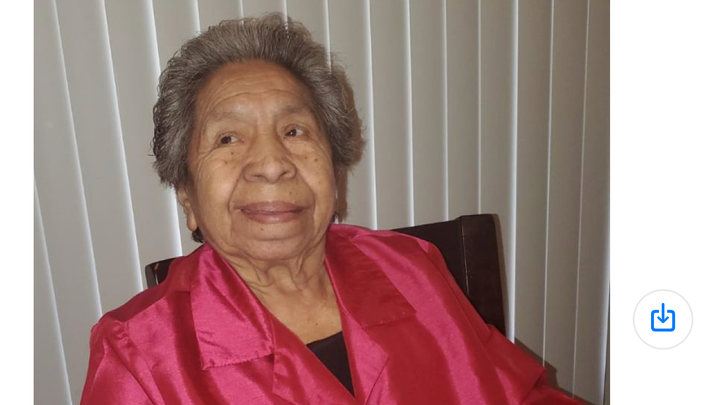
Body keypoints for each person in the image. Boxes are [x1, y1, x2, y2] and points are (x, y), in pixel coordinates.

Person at [80, 14, 578, 404]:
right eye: (228, 138)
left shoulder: (410, 266)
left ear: (335, 175)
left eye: (294, 131)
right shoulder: (137, 356)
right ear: (187, 195)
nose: (272, 164)